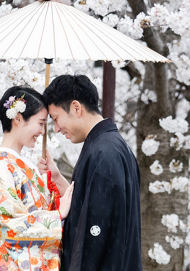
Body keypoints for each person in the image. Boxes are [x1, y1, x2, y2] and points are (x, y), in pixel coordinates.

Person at [0, 86, 74, 271]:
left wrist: (54, 181)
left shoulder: (17, 165)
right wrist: (56, 216)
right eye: (40, 123)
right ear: (18, 119)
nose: (43, 131)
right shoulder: (1, 167)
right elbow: (10, 228)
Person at [38, 74, 142, 271]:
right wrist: (58, 178)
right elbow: (89, 206)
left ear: (77, 108)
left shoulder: (104, 153)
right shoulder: (111, 146)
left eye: (56, 118)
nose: (57, 128)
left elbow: (94, 232)